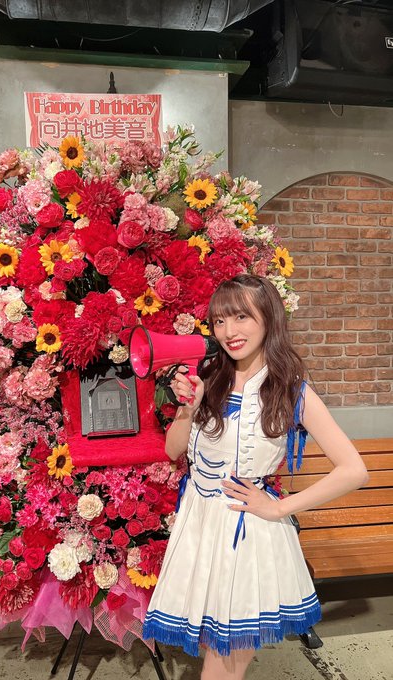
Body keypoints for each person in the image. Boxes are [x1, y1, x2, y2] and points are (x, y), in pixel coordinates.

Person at [142, 274, 369, 680]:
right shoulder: (209, 376)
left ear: (268, 318)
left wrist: (280, 507)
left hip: (247, 539)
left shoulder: (291, 390)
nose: (228, 331)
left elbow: (354, 469)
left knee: (222, 669)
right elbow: (173, 451)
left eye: (241, 317)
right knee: (215, 658)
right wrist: (188, 408)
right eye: (219, 321)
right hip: (199, 532)